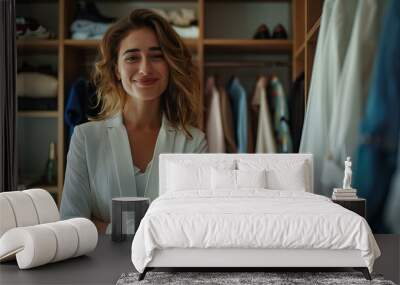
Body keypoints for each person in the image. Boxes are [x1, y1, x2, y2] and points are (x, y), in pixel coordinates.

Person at [60, 9, 208, 233]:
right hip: (98, 268)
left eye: (157, 56)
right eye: (132, 57)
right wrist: (156, 230)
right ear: (116, 70)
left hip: (170, 269)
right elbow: (71, 227)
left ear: (170, 65)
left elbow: (195, 228)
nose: (145, 68)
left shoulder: (194, 143)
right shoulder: (85, 138)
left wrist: (104, 226)